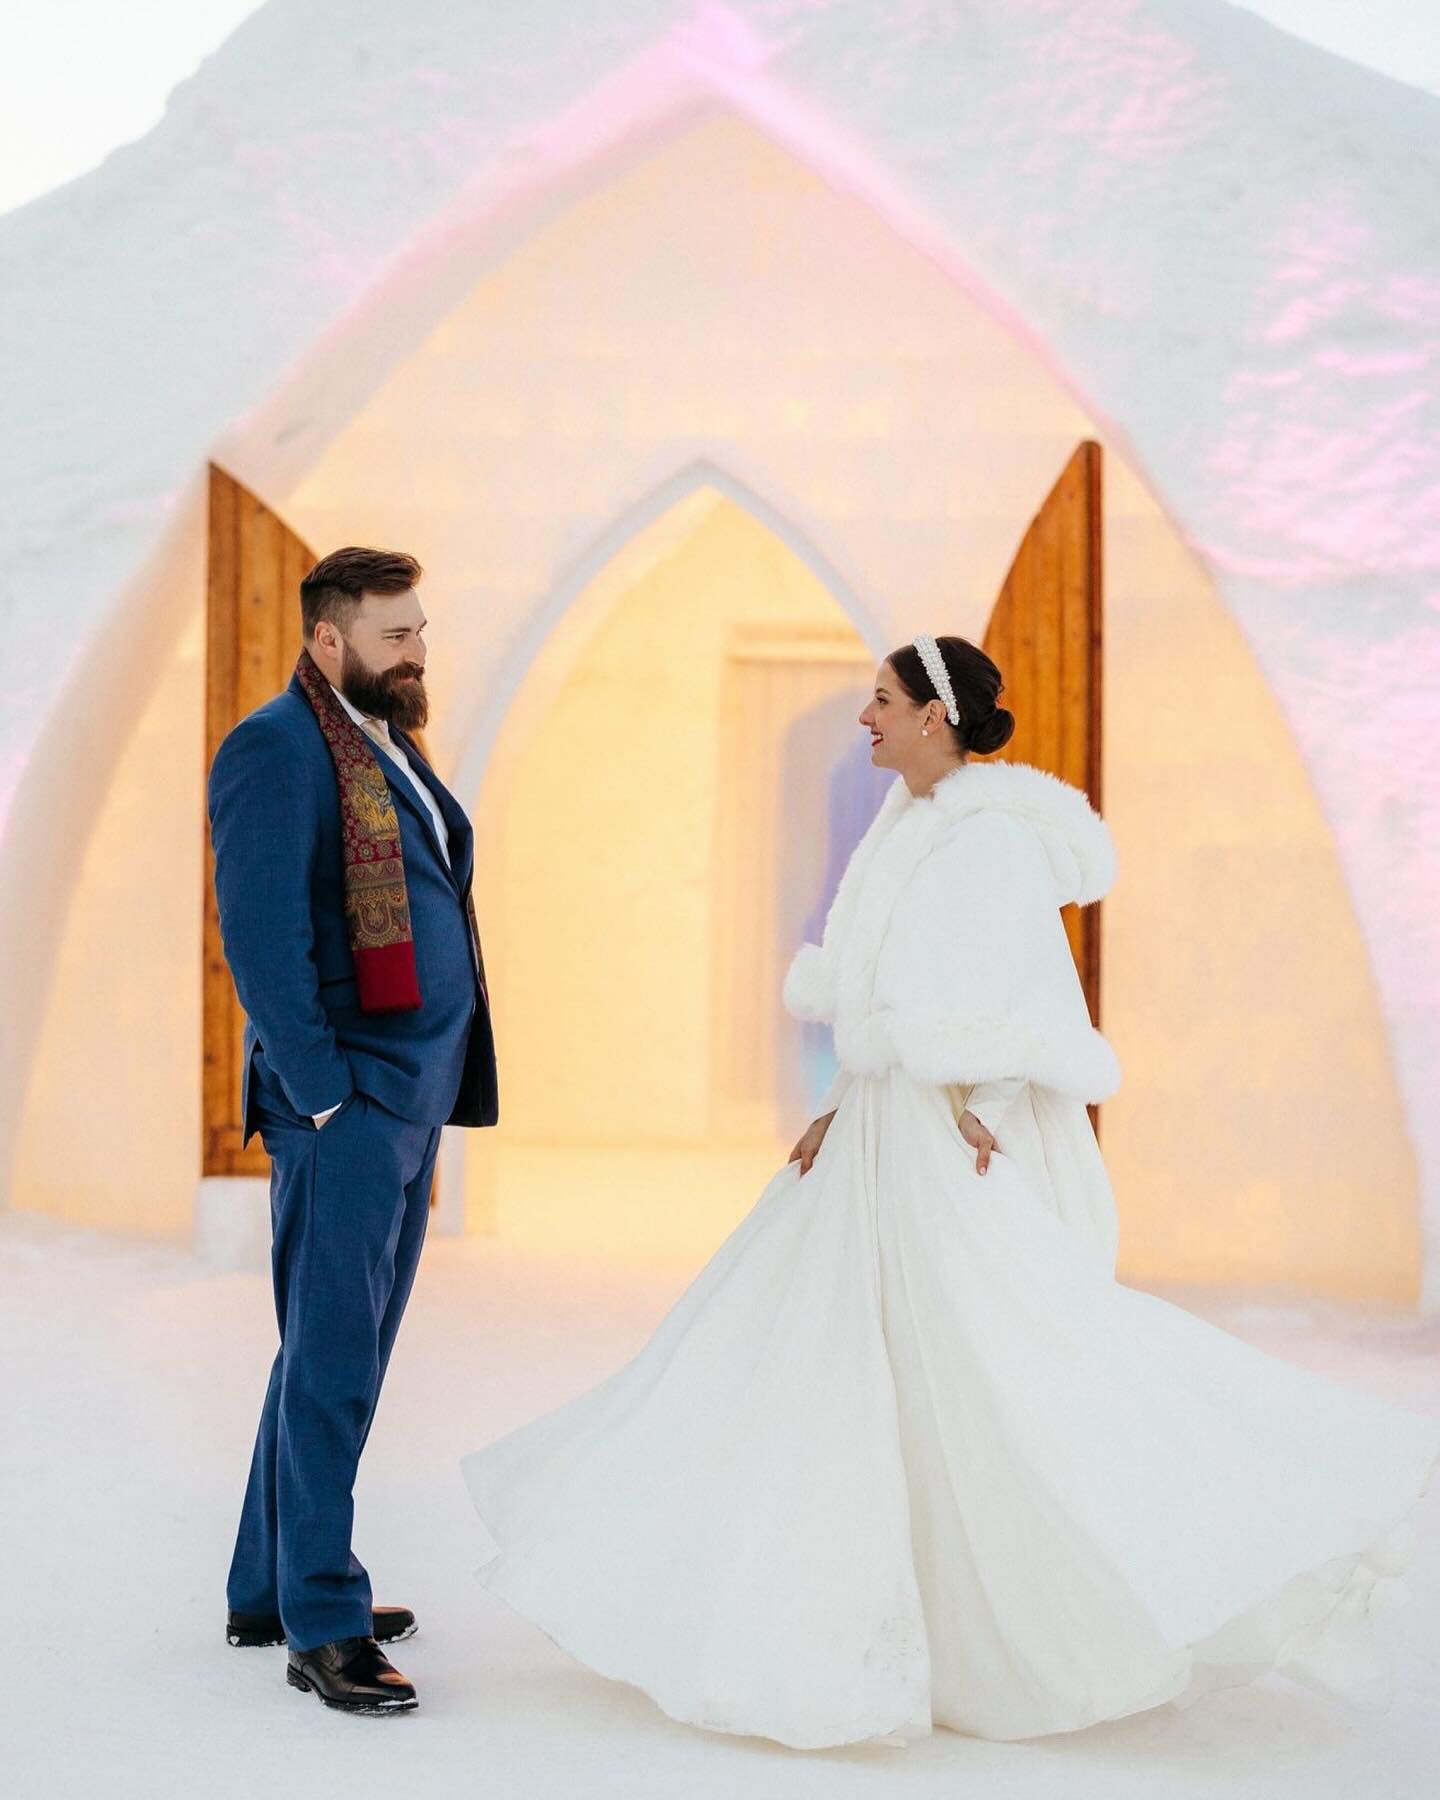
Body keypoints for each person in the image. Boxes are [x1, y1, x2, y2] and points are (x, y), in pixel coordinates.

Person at [460, 633, 1437, 1749]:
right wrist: (848, 1095)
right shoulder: (910, 825)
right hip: (882, 1124)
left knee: (985, 1361)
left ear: (937, 716)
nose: (863, 718)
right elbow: (883, 986)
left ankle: (1181, 1548)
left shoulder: (991, 839)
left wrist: (994, 1096)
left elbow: (1024, 988)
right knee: (815, 1352)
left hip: (941, 1134)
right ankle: (844, 1613)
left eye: (880, 701)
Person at [210, 546, 498, 1715]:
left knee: (339, 1354)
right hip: (349, 1105)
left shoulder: (384, 739)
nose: (417, 651)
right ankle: (322, 1623)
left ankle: (267, 1583)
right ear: (329, 641)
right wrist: (327, 1092)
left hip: (409, 1093)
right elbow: (261, 939)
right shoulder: (276, 749)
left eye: (421, 629)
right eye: (395, 635)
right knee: (332, 1363)